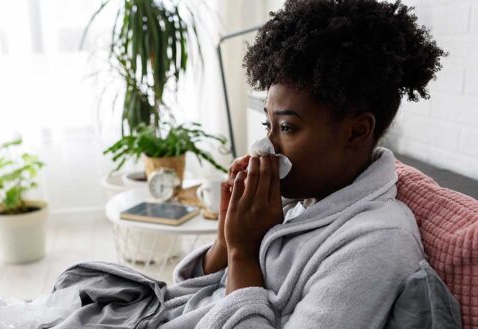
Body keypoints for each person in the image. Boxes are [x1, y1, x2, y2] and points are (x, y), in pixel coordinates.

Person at [161, 0, 460, 328]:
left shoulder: (376, 243)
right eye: (268, 126)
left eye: (287, 127)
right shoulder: (299, 199)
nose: (265, 146)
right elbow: (187, 297)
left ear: (357, 132)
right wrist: (224, 240)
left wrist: (243, 253)